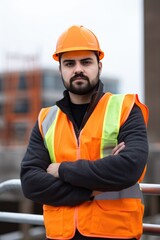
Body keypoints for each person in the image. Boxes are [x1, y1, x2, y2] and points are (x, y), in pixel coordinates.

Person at [20, 25, 149, 240]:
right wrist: (91, 190)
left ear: (99, 65)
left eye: (86, 62)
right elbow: (31, 183)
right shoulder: (46, 119)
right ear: (60, 69)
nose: (78, 69)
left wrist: (60, 170)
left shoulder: (125, 108)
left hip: (115, 234)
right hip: (61, 235)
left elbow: (128, 168)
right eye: (69, 63)